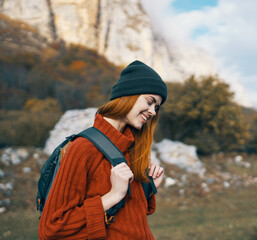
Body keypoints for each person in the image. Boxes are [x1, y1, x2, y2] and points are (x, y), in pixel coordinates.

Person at [38, 60, 167, 239]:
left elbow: (127, 220)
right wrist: (113, 195)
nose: (153, 111)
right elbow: (51, 229)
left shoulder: (131, 148)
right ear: (128, 94)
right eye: (150, 101)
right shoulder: (84, 149)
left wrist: (149, 187)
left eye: (157, 107)